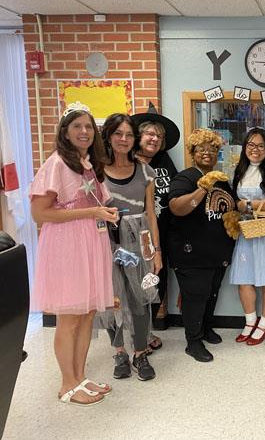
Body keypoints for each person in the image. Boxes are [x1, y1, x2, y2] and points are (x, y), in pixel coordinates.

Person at [30, 102, 118, 406]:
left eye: (89, 127)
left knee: (87, 313)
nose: (84, 131)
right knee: (69, 317)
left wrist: (104, 211)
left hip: (91, 242)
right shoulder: (56, 164)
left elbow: (92, 201)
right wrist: (91, 211)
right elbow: (40, 213)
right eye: (77, 126)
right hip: (67, 247)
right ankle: (66, 384)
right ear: (65, 132)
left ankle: (80, 376)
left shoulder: (90, 165)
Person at [100, 113, 162, 381]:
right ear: (109, 137)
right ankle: (119, 352)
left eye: (128, 134)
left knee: (140, 296)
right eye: (118, 134)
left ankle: (140, 352)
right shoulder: (95, 172)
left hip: (139, 240)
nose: (123, 139)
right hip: (106, 241)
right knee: (112, 299)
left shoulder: (146, 171)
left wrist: (156, 252)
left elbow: (151, 214)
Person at [168, 129, 235, 362]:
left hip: (216, 251)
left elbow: (231, 207)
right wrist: (203, 187)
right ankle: (193, 342)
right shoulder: (185, 178)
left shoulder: (221, 179)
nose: (208, 153)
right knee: (195, 296)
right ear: (192, 152)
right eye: (202, 149)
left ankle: (206, 328)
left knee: (211, 293)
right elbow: (177, 207)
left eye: (213, 149)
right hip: (191, 253)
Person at [230, 127, 265, 346]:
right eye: (251, 145)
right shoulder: (239, 170)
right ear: (245, 147)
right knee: (244, 277)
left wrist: (247, 205)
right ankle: (250, 321)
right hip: (247, 229)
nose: (255, 150)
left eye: (260, 146)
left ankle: (264, 324)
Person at [132, 102, 180, 335]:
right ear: (138, 135)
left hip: (162, 235)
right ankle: (137, 333)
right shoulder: (127, 163)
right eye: (150, 134)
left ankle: (149, 330)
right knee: (134, 284)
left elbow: (175, 190)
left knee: (156, 281)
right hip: (133, 236)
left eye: (159, 136)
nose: (155, 139)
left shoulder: (164, 161)